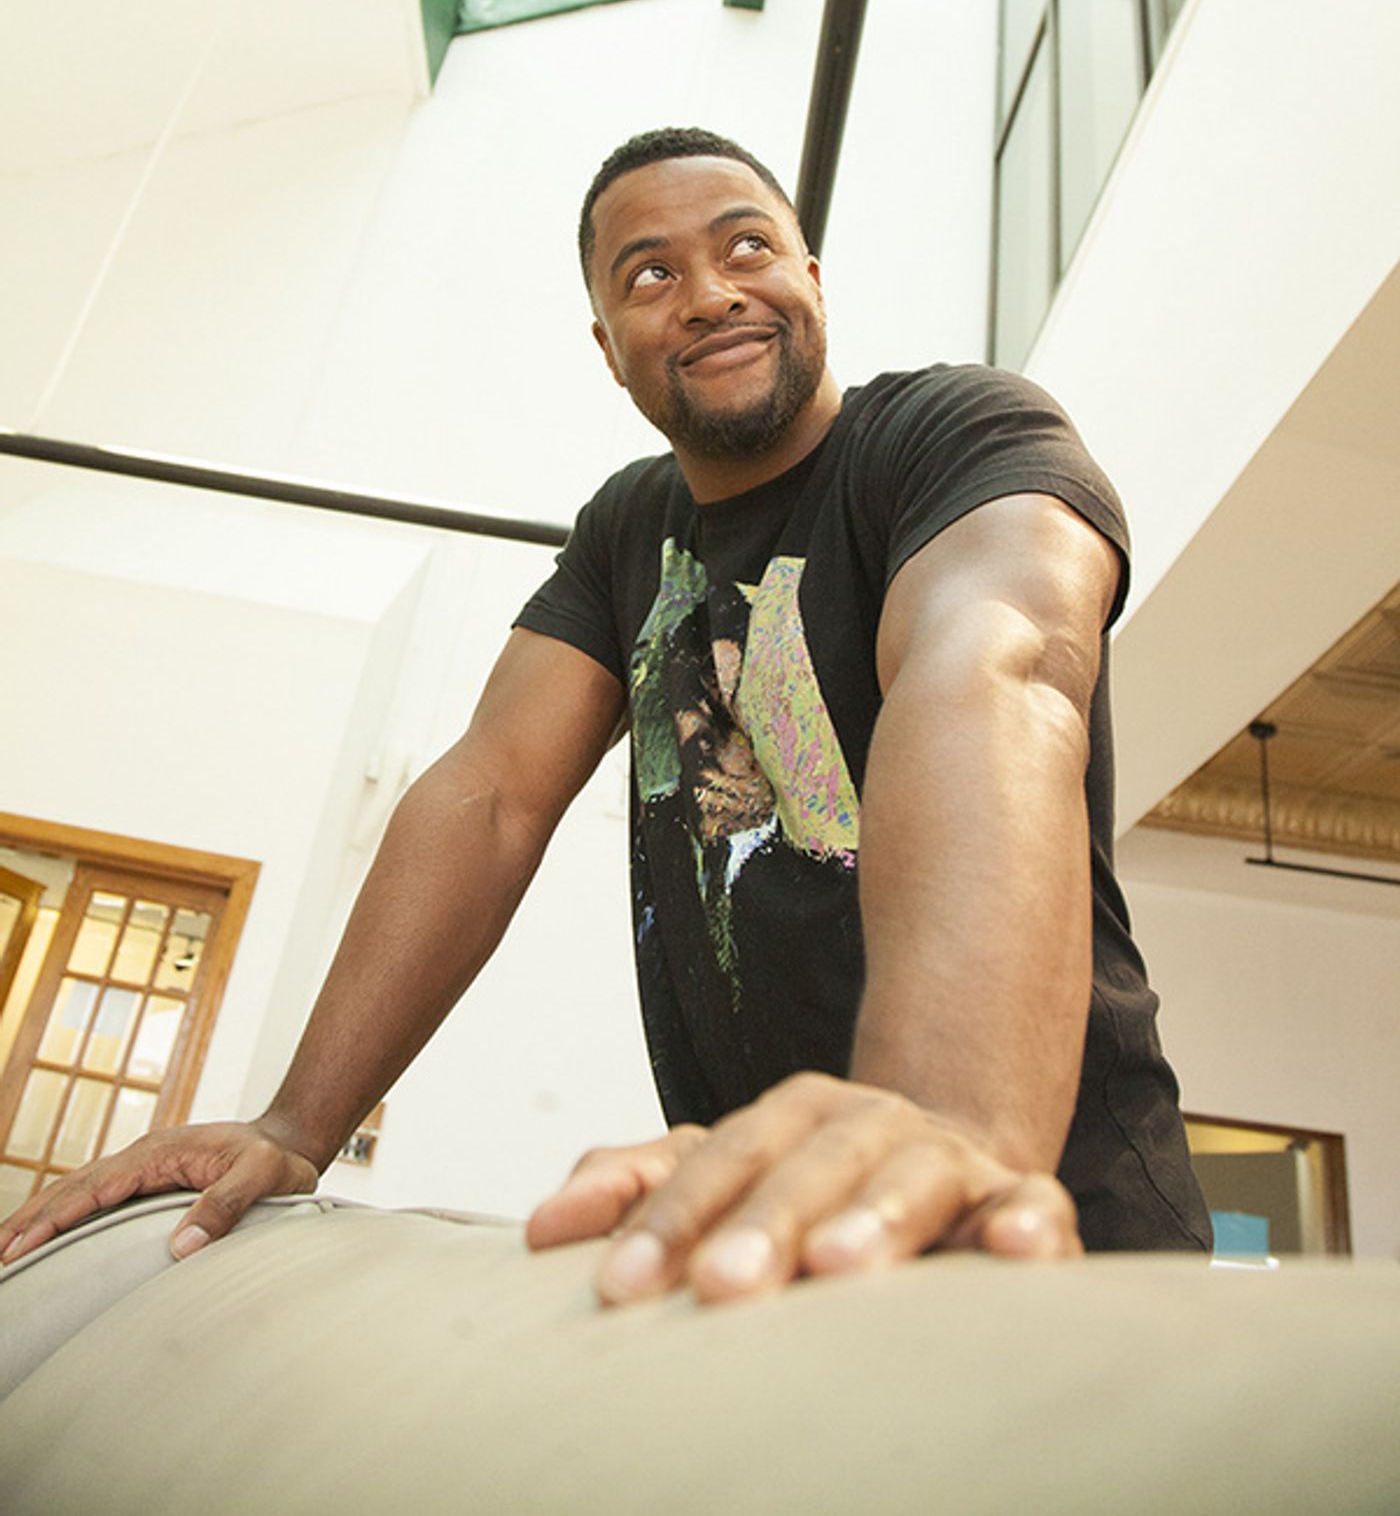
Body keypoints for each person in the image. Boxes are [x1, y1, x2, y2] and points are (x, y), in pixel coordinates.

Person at [0, 128, 1209, 1300]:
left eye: (745, 247)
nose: (709, 293)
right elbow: (489, 795)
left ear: (810, 276)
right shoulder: (628, 530)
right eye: (650, 274)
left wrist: (939, 1118)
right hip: (759, 1220)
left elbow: (995, 670)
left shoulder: (951, 431)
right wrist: (294, 1124)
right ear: (606, 344)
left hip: (1047, 1208)